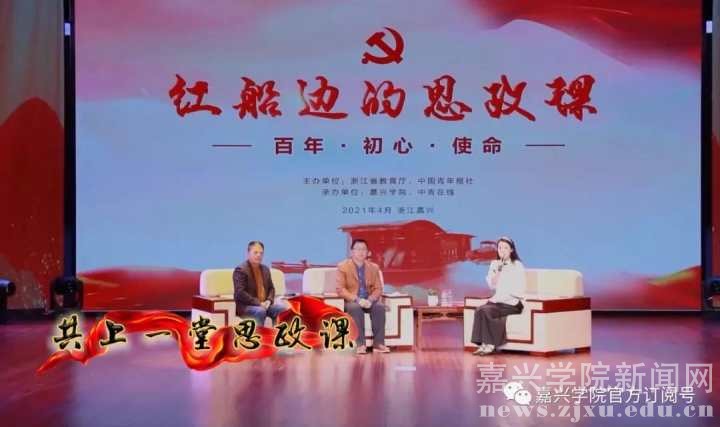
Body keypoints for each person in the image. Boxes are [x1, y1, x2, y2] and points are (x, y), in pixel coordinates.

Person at [471, 236, 526, 355]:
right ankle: (482, 344)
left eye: (505, 248)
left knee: (486, 311)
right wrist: (499, 270)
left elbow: (519, 289)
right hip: (498, 301)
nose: (502, 250)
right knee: (479, 310)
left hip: (512, 303)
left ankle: (490, 344)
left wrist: (502, 298)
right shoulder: (494, 264)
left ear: (511, 250)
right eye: (500, 248)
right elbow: (492, 285)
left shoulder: (517, 265)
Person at [336, 239, 390, 354]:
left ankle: (378, 344)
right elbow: (340, 289)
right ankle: (360, 344)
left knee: (379, 307)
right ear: (352, 252)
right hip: (352, 300)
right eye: (358, 249)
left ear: (368, 252)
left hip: (368, 299)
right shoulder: (343, 267)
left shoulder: (374, 267)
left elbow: (378, 288)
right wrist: (357, 299)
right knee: (355, 308)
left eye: (364, 249)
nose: (361, 252)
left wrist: (370, 300)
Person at [233, 241, 288, 326]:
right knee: (260, 311)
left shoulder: (265, 269)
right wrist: (258, 303)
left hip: (264, 304)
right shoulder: (240, 270)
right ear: (248, 253)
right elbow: (240, 293)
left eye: (261, 253)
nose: (259, 255)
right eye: (255, 252)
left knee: (281, 309)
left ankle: (277, 333)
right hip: (247, 306)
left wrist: (269, 300)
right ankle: (259, 334)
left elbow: (271, 288)